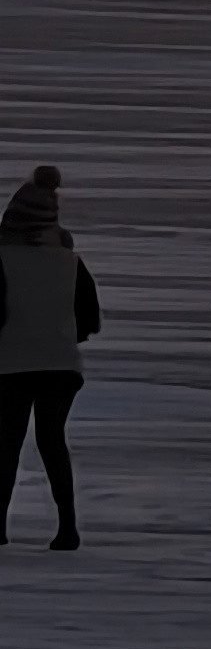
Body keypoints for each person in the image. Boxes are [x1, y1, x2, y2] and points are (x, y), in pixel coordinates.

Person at [0, 165, 100, 551]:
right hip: (61, 365)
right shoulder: (70, 261)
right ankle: (67, 527)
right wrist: (60, 336)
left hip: (10, 364)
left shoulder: (1, 259)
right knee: (52, 440)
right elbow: (89, 319)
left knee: (7, 443)